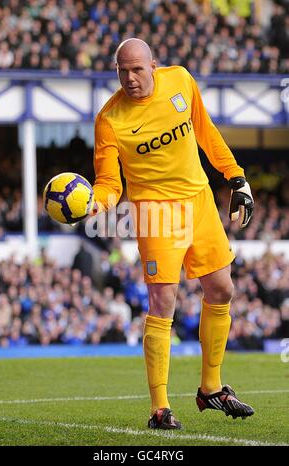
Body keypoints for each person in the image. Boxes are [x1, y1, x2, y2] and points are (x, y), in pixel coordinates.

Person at [90, 38, 255, 430]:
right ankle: (159, 408)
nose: (130, 78)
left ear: (153, 65)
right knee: (163, 301)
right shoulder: (109, 119)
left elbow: (206, 132)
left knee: (222, 290)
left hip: (198, 201)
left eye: (137, 69)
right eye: (122, 71)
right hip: (155, 213)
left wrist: (237, 177)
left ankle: (211, 388)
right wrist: (95, 202)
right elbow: (109, 182)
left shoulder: (180, 80)